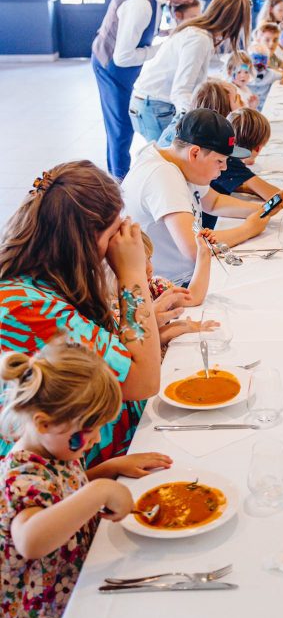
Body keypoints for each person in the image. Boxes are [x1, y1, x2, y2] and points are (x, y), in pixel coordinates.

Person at [0, 339, 166, 618]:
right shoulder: (18, 476)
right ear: (41, 423)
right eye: (82, 436)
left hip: (76, 584)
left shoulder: (56, 453)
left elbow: (62, 492)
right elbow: (32, 539)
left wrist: (105, 469)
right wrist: (96, 494)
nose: (89, 444)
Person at [0, 162, 162, 466]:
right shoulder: (28, 309)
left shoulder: (40, 282)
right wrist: (132, 273)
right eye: (114, 232)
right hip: (65, 483)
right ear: (87, 240)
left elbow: (111, 352)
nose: (120, 241)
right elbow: (144, 380)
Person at [122, 109, 283, 285]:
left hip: (187, 274)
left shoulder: (178, 161)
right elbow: (194, 248)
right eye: (219, 161)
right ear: (194, 153)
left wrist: (262, 210)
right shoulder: (163, 175)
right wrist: (248, 229)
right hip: (173, 284)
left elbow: (213, 202)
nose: (224, 168)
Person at [91, 0, 202, 181]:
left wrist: (164, 32)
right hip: (111, 67)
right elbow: (122, 57)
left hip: (120, 64)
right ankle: (119, 185)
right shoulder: (141, 4)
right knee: (121, 129)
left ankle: (117, 178)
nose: (189, 1)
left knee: (119, 127)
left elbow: (138, 27)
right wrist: (163, 47)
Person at [129, 0, 251, 142]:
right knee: (170, 162)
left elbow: (192, 76)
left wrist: (218, 83)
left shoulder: (200, 34)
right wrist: (201, 122)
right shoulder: (199, 39)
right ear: (233, 22)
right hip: (155, 106)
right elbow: (180, 91)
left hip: (153, 104)